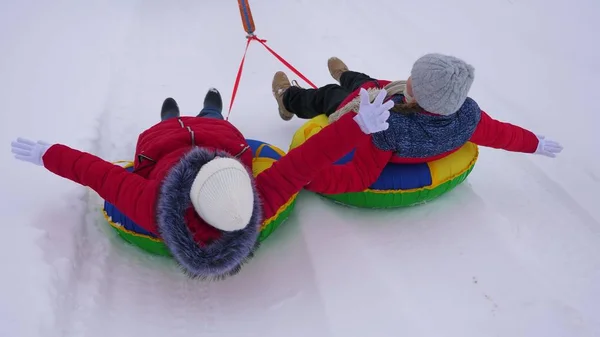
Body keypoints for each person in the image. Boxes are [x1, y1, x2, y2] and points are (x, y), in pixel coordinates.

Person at [10, 87, 393, 278]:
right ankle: (212, 109)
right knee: (214, 117)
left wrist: (49, 154)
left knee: (166, 123)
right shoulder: (257, 202)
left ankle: (171, 114)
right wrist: (355, 127)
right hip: (222, 135)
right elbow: (303, 163)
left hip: (164, 145)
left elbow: (97, 172)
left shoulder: (152, 202)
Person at [271, 53, 563, 193]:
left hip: (367, 113)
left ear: (419, 97)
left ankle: (289, 99)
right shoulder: (467, 117)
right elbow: (502, 134)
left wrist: (306, 177)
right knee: (366, 82)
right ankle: (347, 74)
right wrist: (534, 143)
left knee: (331, 96)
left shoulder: (390, 131)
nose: (407, 79)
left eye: (413, 81)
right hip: (388, 98)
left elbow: (360, 175)